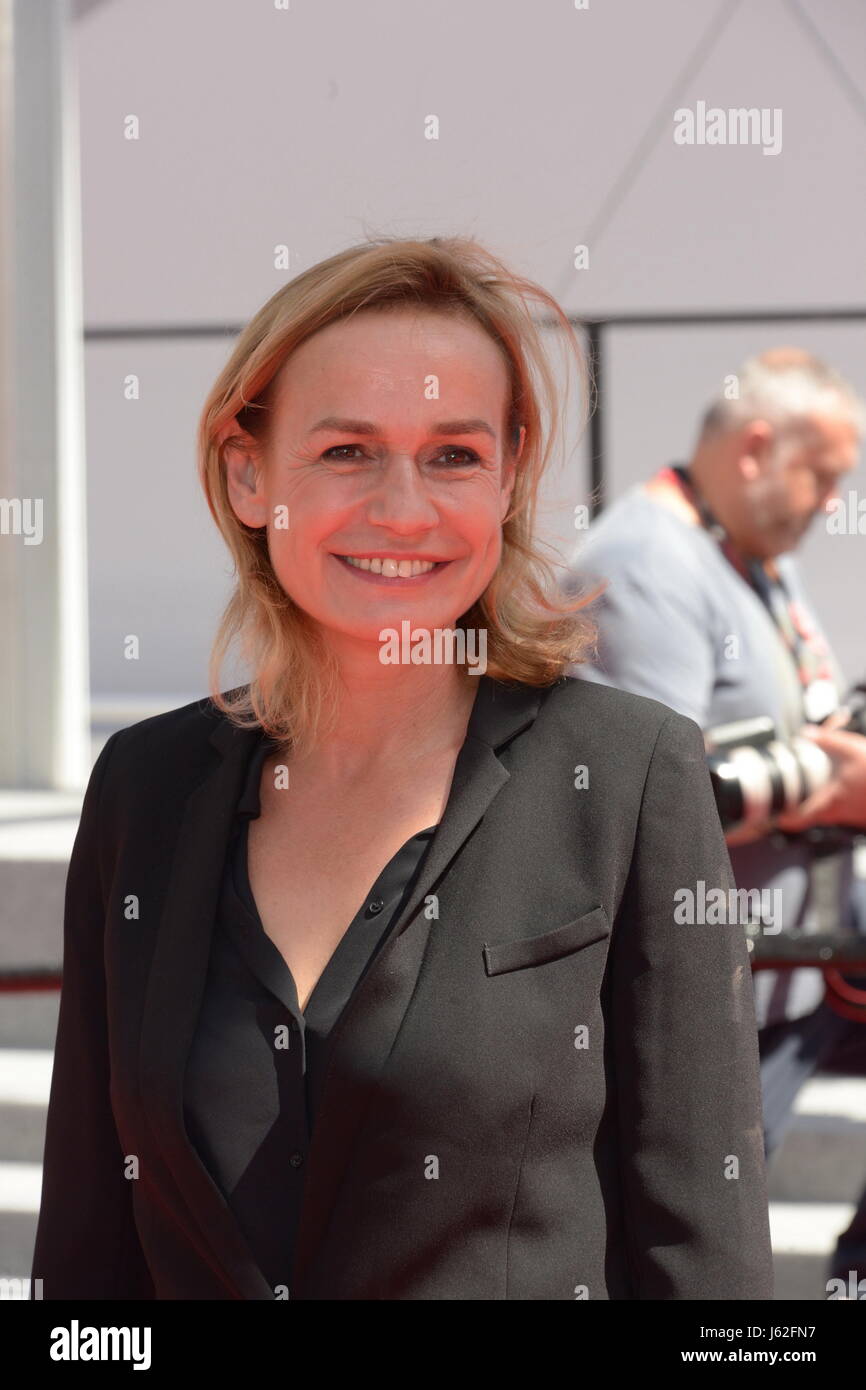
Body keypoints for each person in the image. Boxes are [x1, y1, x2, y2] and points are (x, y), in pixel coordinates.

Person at [31, 236, 773, 1300]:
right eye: (345, 451)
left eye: (453, 455)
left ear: (508, 476)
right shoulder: (145, 787)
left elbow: (708, 1268)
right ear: (248, 475)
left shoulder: (624, 774)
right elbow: (88, 1259)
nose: (403, 509)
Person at [565, 347, 866, 1288]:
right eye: (825, 477)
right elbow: (659, 802)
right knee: (685, 1248)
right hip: (699, 996)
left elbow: (795, 720)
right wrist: (835, 779)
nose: (830, 503)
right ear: (757, 449)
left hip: (785, 977)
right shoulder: (645, 561)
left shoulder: (745, 552)